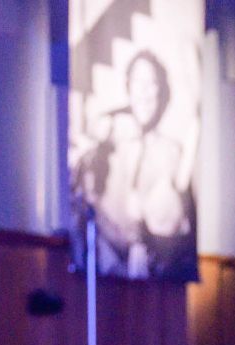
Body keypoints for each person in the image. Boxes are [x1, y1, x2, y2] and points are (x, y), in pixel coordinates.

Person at [77, 49, 195, 280]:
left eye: (151, 83)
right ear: (128, 87)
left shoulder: (171, 151)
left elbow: (177, 222)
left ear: (160, 91)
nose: (144, 92)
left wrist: (146, 246)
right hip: (104, 269)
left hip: (154, 276)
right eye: (138, 82)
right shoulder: (111, 133)